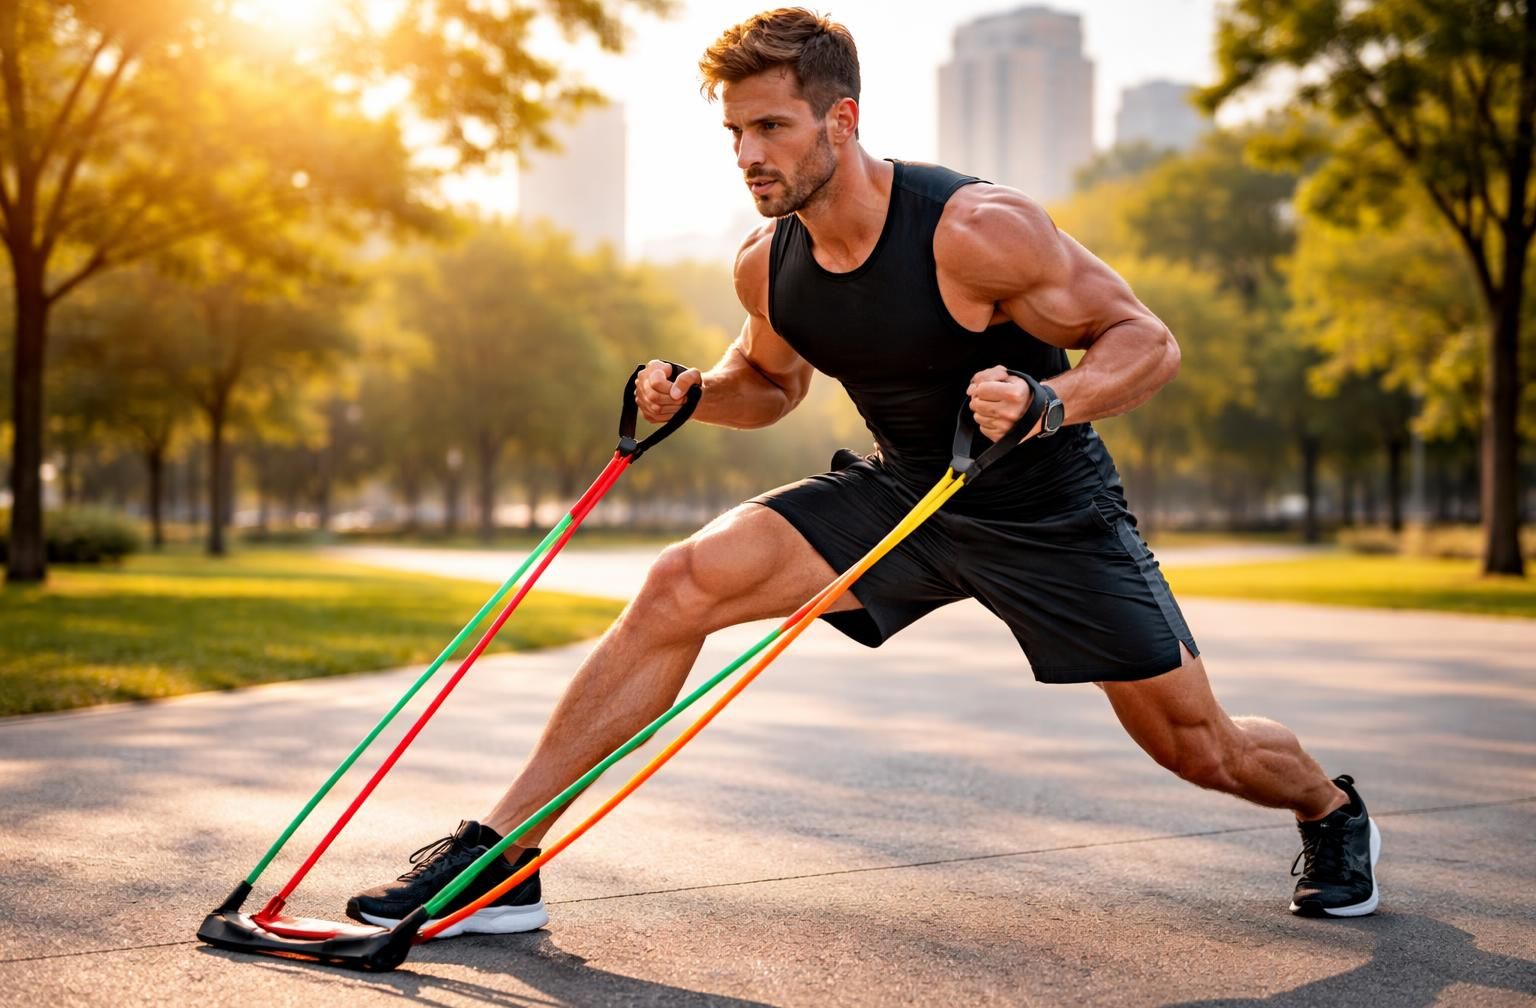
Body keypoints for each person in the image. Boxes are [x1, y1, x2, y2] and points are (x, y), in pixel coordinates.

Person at [347, 7, 1381, 938]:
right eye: (735, 133)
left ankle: (1330, 811)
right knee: (679, 583)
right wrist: (695, 393)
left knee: (1200, 747)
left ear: (841, 121)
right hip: (904, 496)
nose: (749, 154)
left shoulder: (976, 230)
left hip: (1046, 509)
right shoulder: (768, 261)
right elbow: (768, 384)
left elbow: (1147, 341)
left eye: (771, 127)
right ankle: (502, 858)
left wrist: (1050, 400)